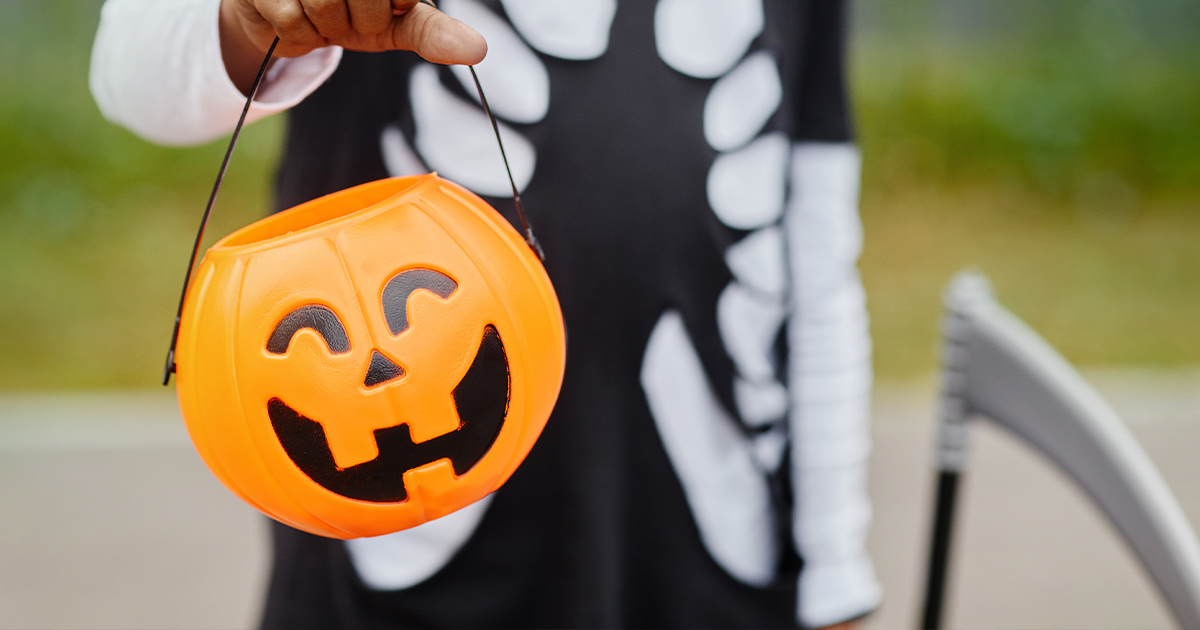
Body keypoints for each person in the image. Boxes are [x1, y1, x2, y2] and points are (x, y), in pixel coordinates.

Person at [91, 1, 881, 627]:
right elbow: (132, 73)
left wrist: (835, 565)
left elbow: (815, 251)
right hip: (398, 549)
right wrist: (243, 20)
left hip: (720, 540)